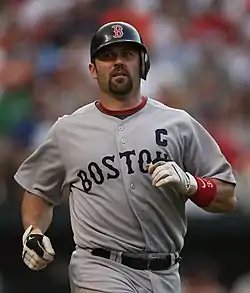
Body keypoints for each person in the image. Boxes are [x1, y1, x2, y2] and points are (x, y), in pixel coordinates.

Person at [14, 21, 237, 293]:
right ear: (93, 70)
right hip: (98, 267)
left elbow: (227, 197)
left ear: (143, 64)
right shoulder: (68, 130)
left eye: (127, 54)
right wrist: (33, 231)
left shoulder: (178, 123)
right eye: (108, 56)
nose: (118, 62)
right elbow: (37, 189)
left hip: (165, 274)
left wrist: (193, 185)